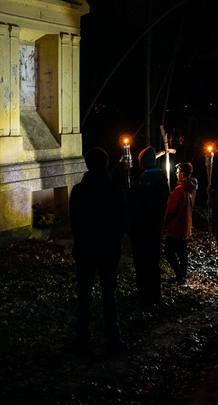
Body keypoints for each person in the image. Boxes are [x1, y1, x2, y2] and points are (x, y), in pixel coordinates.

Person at [69, 147, 129, 353]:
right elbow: (123, 222)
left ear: (87, 165)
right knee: (108, 295)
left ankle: (82, 336)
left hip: (85, 249)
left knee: (84, 294)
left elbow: (74, 222)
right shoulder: (115, 190)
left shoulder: (79, 191)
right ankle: (114, 337)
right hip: (108, 250)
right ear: (106, 164)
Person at [128, 146, 169, 306]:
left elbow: (138, 204)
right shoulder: (159, 177)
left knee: (144, 262)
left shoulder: (147, 179)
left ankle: (146, 295)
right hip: (153, 226)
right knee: (152, 261)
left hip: (144, 227)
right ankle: (153, 294)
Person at [163, 162, 198, 287]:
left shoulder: (179, 190)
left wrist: (165, 222)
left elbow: (171, 210)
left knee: (169, 251)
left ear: (183, 173)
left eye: (178, 172)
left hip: (177, 226)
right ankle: (182, 275)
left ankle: (180, 276)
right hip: (186, 225)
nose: (176, 174)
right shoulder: (192, 188)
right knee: (182, 251)